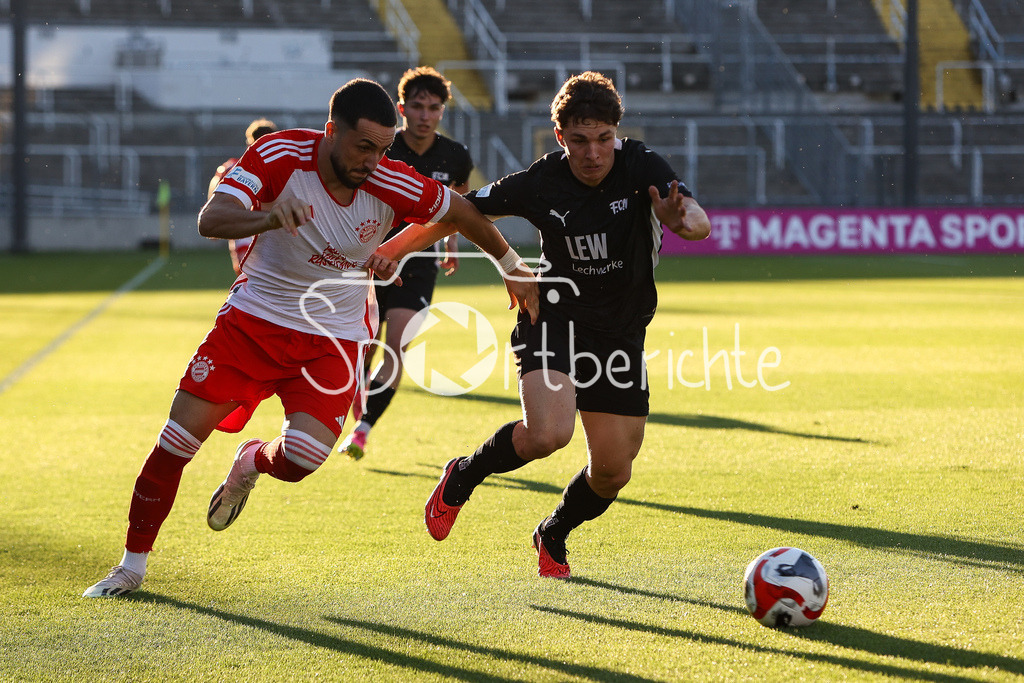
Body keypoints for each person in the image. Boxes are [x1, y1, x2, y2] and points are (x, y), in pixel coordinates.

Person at [82, 78, 538, 598]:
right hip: (253, 323)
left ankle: (251, 461)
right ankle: (131, 567)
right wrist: (269, 215)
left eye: (383, 149)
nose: (372, 160)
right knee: (176, 443)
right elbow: (212, 219)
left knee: (300, 460)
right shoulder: (279, 154)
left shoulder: (390, 178)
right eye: (363, 146)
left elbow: (458, 210)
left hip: (334, 336)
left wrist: (511, 265)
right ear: (330, 131)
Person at [420, 71, 711, 578]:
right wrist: (391, 250)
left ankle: (553, 530)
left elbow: (695, 218)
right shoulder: (542, 180)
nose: (594, 152)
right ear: (561, 138)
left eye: (603, 139)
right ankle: (464, 473)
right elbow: (461, 211)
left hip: (620, 335)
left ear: (616, 134)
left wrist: (682, 220)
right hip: (554, 316)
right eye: (580, 141)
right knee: (548, 435)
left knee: (613, 471)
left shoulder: (639, 163)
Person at [339, 66, 473, 461]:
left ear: (442, 112)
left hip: (418, 265)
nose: (425, 115)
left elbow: (458, 205)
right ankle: (357, 405)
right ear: (401, 108)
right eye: (417, 107)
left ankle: (363, 429)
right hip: (368, 262)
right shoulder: (380, 147)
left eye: (434, 108)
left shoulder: (455, 156)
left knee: (396, 347)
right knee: (360, 350)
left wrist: (450, 244)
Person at [207, 118, 279, 275]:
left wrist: (214, 219)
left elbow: (214, 191)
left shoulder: (234, 168)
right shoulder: (283, 167)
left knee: (249, 278)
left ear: (249, 143)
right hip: (272, 231)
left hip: (244, 231)